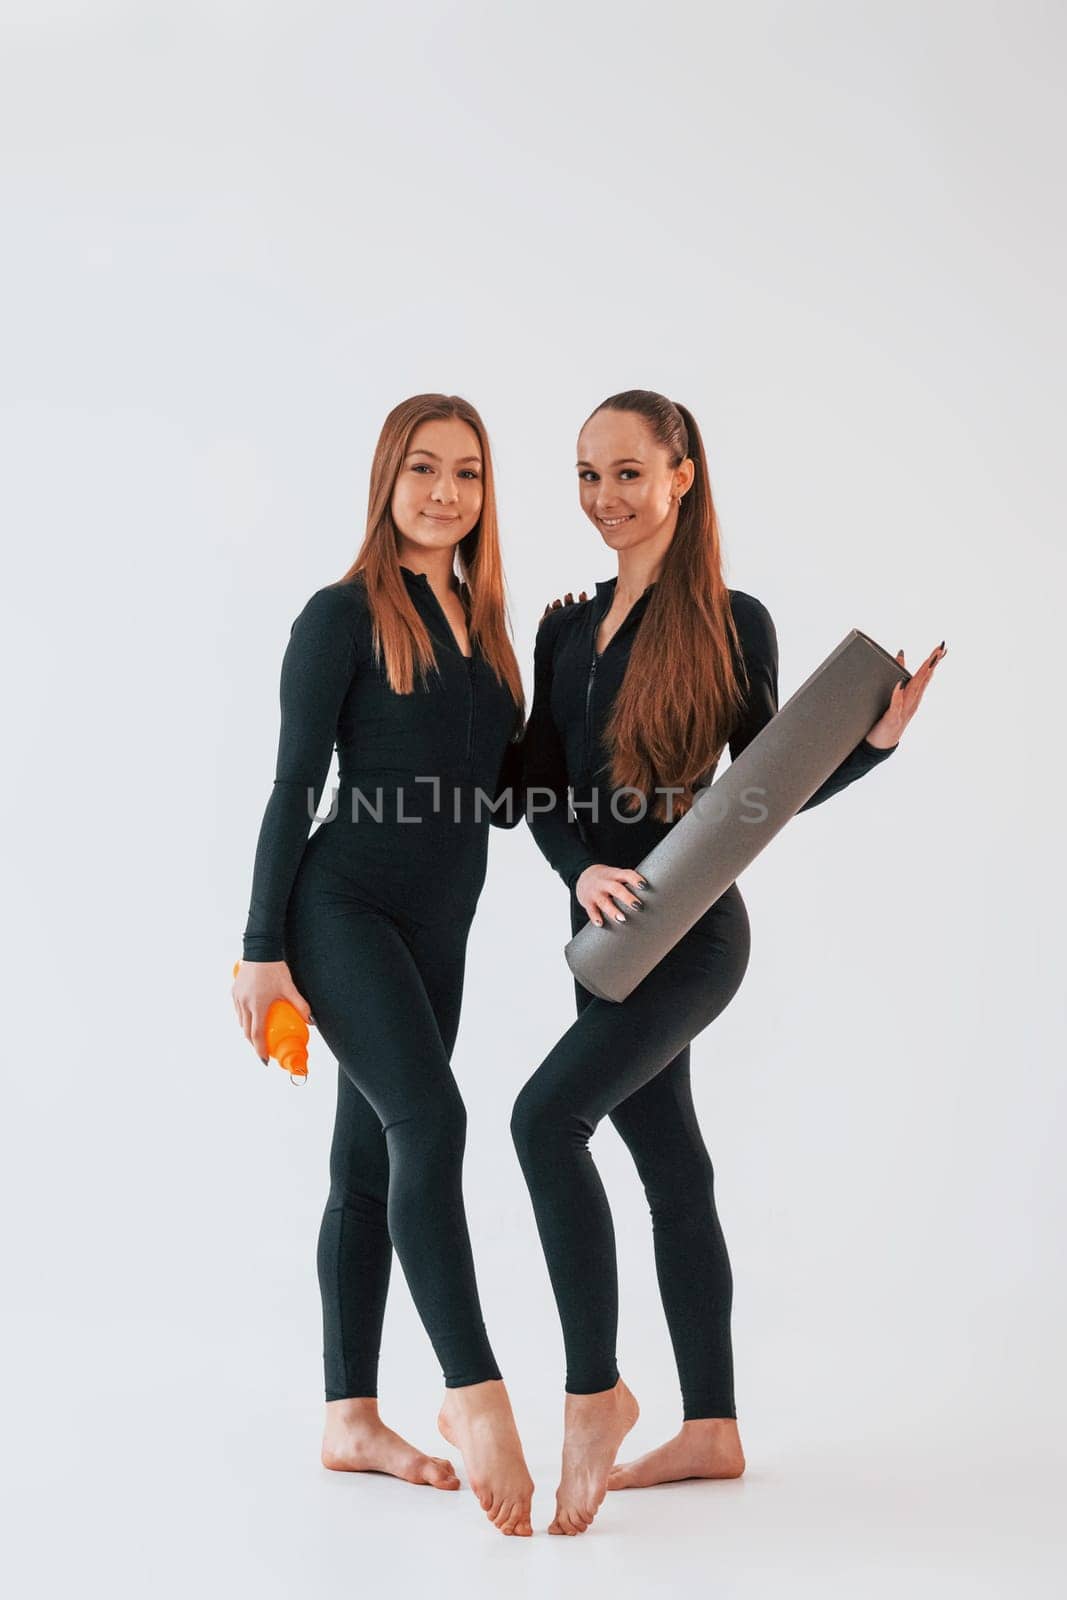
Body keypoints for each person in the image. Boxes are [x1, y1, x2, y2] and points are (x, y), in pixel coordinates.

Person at [513, 389, 944, 1535]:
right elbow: (532, 785)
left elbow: (761, 793)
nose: (605, 498)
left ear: (682, 475)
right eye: (585, 476)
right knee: (671, 1165)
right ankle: (712, 1426)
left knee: (538, 1121)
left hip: (693, 934)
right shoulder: (563, 625)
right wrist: (573, 868)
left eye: (627, 474)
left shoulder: (729, 621)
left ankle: (593, 1396)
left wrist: (875, 744)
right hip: (604, 940)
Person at [232, 394, 535, 1537]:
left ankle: (348, 1416)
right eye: (422, 468)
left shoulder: (488, 630)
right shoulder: (342, 613)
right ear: (386, 479)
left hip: (437, 928)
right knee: (432, 1125)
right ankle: (473, 1391)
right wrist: (263, 946)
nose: (444, 491)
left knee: (365, 1169)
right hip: (340, 907)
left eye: (465, 472)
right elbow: (288, 786)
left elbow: (505, 797)